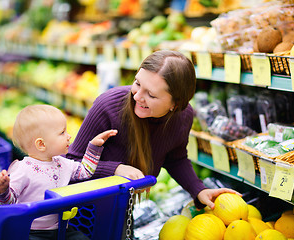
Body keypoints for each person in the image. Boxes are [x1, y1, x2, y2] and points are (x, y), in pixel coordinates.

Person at [66, 50, 240, 211]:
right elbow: (71, 163)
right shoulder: (108, 106)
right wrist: (115, 170)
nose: (137, 96)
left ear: (175, 104)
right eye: (137, 83)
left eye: (151, 94)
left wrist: (198, 189)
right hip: (82, 210)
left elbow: (175, 158)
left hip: (122, 209)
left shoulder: (183, 116)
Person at [0, 104, 117, 240]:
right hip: (30, 231)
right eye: (62, 133)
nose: (69, 136)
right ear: (41, 144)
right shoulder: (22, 169)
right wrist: (3, 189)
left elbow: (85, 171)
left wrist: (94, 147)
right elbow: (9, 202)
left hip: (62, 227)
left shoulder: (62, 162)